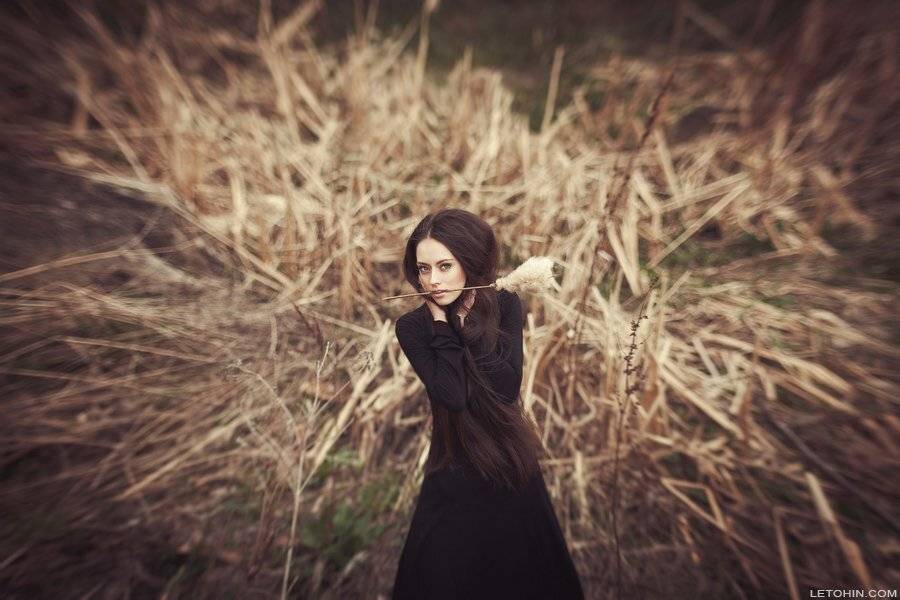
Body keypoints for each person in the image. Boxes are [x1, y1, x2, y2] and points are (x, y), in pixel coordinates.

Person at [391, 208, 585, 599]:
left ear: (470, 262)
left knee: (524, 578)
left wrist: (472, 325)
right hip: (452, 465)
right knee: (443, 577)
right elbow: (451, 396)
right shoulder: (412, 327)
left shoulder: (505, 305)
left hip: (508, 462)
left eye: (445, 266)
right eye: (424, 269)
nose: (433, 280)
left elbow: (505, 388)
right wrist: (443, 326)